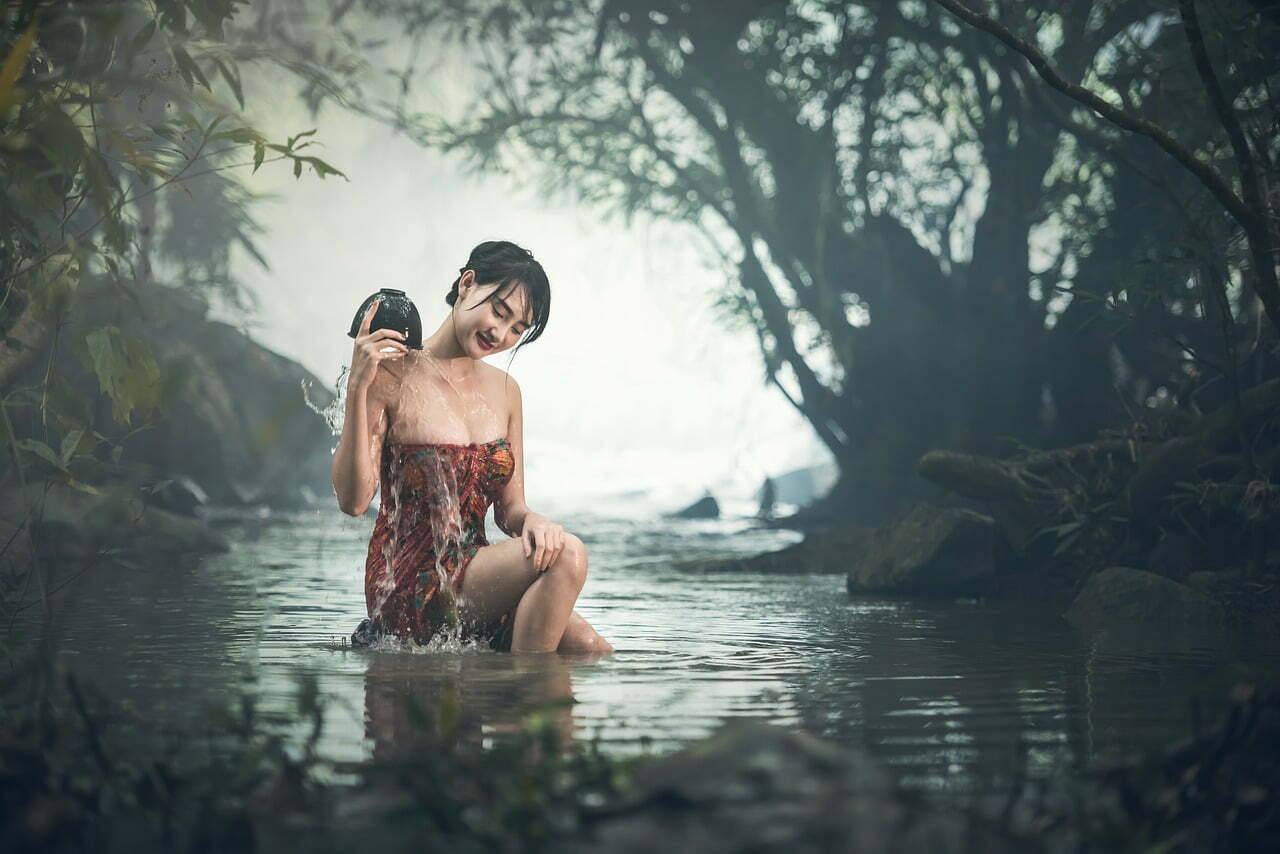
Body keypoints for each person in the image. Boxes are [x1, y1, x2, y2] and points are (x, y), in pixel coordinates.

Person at [331, 240, 614, 655]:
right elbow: (353, 500)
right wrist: (358, 387)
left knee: (589, 650)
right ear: (467, 284)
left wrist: (533, 520)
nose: (501, 333)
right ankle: (522, 700)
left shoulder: (506, 391)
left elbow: (510, 511)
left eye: (518, 328)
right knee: (568, 554)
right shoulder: (391, 375)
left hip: (477, 573)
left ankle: (512, 708)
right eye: (499, 311)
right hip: (411, 581)